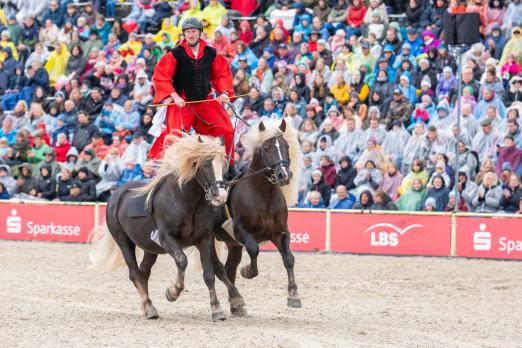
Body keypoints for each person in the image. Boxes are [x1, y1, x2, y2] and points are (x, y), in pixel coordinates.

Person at [148, 17, 238, 179]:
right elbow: (161, 76)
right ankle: (173, 174)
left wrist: (224, 93)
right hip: (182, 103)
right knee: (176, 138)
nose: (190, 34)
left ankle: (229, 166)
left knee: (227, 130)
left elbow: (222, 73)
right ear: (184, 34)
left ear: (200, 33)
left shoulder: (211, 52)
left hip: (205, 101)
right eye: (188, 32)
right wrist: (174, 96)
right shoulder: (175, 54)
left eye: (193, 31)